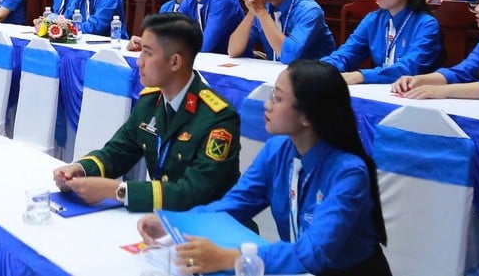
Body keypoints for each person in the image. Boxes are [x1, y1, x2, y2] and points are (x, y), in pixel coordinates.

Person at [137, 60, 390, 276]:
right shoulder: (276, 151)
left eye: (278, 98)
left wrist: (230, 258)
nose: (267, 105)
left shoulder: (348, 173)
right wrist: (174, 222)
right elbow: (234, 204)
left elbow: (314, 252)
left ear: (308, 117)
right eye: (271, 96)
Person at [54, 13, 241, 212]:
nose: (139, 62)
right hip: (161, 217)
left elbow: (193, 193)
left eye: (148, 53)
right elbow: (117, 152)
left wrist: (117, 191)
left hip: (210, 222)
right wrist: (80, 169)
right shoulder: (150, 101)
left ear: (175, 62)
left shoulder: (217, 118)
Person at [327, 0, 442, 85]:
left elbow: (409, 68)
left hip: (415, 93)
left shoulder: (426, 25)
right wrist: (320, 70)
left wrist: (361, 76)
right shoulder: (373, 19)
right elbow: (345, 55)